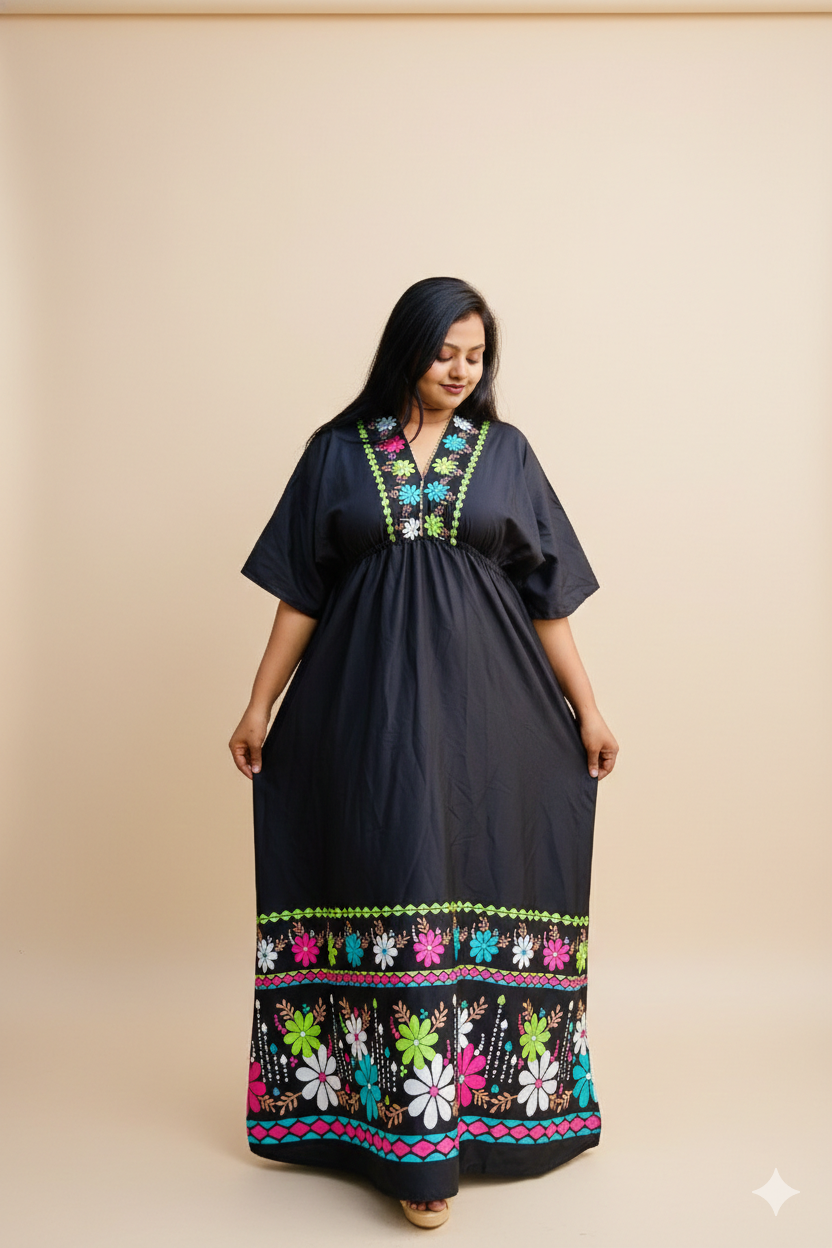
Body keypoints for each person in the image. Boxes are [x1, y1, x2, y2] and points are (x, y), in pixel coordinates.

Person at [229, 277, 619, 1229]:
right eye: (445, 351)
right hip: (363, 718)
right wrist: (259, 703)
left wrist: (590, 710)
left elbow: (548, 601)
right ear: (406, 348)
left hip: (491, 718)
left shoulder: (507, 454)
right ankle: (409, 1142)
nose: (460, 370)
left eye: (476, 356)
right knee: (390, 880)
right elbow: (300, 594)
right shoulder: (336, 453)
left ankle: (480, 1119)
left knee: (476, 876)